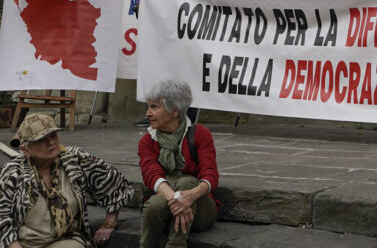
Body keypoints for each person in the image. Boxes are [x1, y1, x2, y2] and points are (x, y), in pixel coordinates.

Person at [0, 113, 133, 248]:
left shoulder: (74, 159)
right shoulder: (13, 173)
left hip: (65, 241)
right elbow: (1, 218)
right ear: (25, 150)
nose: (51, 142)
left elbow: (111, 180)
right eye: (41, 140)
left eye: (53, 136)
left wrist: (110, 222)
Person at [138, 80, 218, 248]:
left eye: (154, 107)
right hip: (167, 208)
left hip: (200, 212)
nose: (147, 113)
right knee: (155, 203)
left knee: (187, 182)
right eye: (148, 107)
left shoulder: (200, 134)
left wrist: (191, 195)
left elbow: (210, 175)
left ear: (174, 111)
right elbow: (152, 175)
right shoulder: (148, 141)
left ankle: (176, 245)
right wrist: (179, 200)